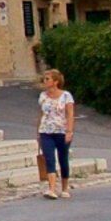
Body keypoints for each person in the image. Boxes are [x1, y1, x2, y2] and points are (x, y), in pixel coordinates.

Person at [34, 69, 77, 198]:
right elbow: (41, 113)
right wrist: (38, 132)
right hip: (46, 131)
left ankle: (64, 187)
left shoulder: (66, 96)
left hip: (61, 131)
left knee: (63, 159)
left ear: (55, 81)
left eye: (48, 79)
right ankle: (51, 188)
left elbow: (70, 114)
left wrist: (69, 131)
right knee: (49, 158)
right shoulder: (43, 96)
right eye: (44, 79)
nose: (45, 81)